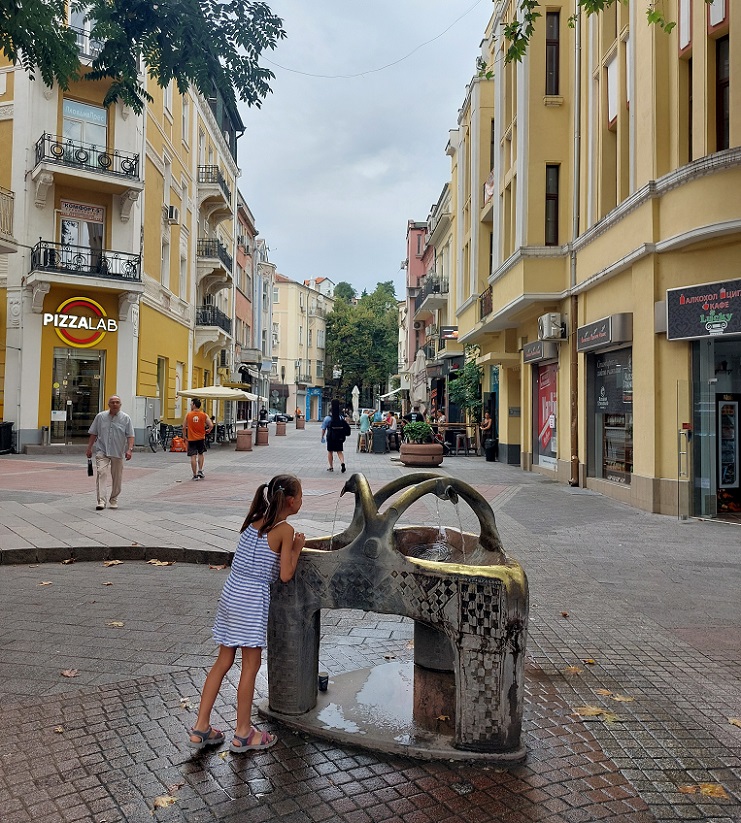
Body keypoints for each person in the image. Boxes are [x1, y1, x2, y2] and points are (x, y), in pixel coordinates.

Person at [188, 474, 305, 753]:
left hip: (232, 592)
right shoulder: (284, 530)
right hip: (252, 599)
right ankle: (243, 733)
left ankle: (201, 726)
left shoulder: (255, 518)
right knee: (250, 666)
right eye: (301, 497)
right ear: (290, 501)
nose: (302, 501)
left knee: (223, 660)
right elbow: (286, 574)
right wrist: (298, 548)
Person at [86, 395, 135, 511]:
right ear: (108, 405)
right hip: (102, 450)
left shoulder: (126, 418)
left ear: (120, 405)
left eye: (117, 402)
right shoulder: (100, 417)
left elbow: (130, 435)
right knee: (101, 472)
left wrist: (129, 449)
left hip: (117, 452)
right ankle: (101, 501)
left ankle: (113, 499)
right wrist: (89, 448)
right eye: (112, 402)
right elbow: (94, 433)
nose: (115, 404)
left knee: (117, 477)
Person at [183, 399, 214, 481]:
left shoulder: (188, 415)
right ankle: (200, 470)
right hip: (201, 438)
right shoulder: (204, 415)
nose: (190, 405)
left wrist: (184, 436)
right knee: (201, 454)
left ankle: (194, 475)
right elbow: (211, 425)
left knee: (193, 456)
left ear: (194, 405)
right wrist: (208, 430)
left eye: (191, 404)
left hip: (191, 438)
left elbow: (183, 427)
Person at [321, 398, 351, 472]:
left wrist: (322, 436)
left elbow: (323, 428)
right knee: (339, 451)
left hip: (331, 437)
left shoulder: (327, 418)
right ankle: (342, 462)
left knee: (330, 451)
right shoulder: (341, 417)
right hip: (339, 437)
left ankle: (331, 467)